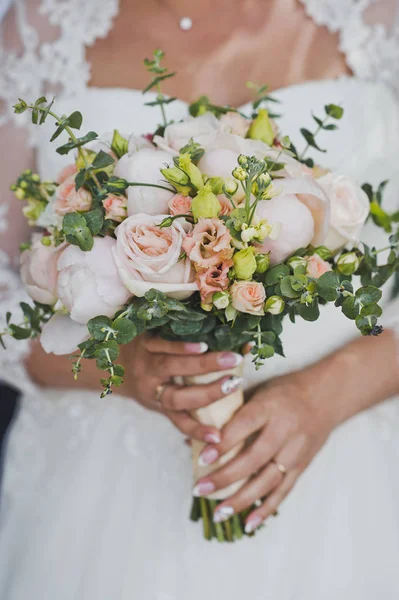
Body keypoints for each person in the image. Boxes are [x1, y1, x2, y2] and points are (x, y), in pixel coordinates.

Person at [1, 1, 399, 598]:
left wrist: (327, 394)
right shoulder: (40, 32)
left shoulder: (379, 22)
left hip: (345, 470)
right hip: (105, 492)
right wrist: (120, 367)